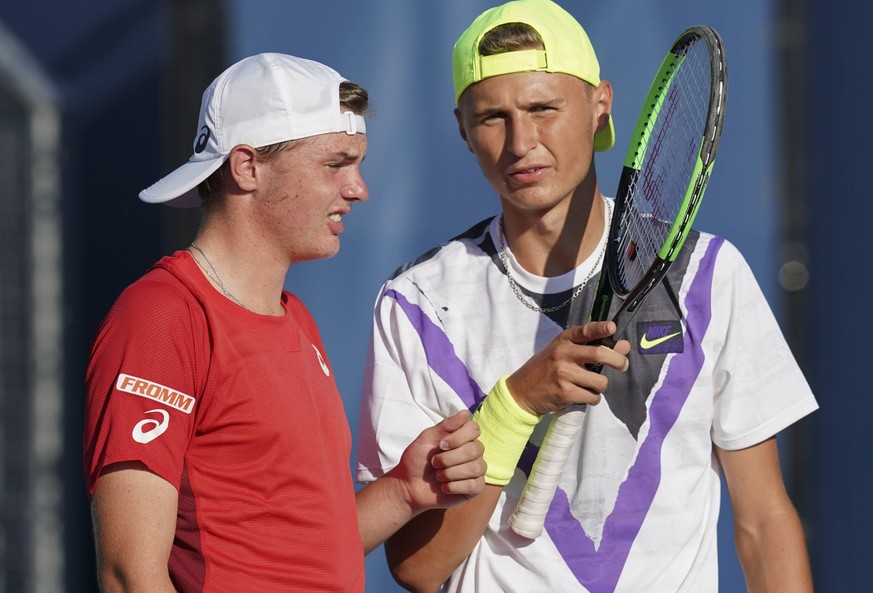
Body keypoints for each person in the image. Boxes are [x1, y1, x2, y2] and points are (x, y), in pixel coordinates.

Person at [355, 1, 818, 592]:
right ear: (463, 131)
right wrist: (514, 406)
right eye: (493, 117)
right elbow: (417, 569)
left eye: (543, 108)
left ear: (600, 108)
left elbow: (762, 520)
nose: (521, 142)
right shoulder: (416, 305)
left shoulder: (708, 274)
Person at [83, 52, 486, 593]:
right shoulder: (162, 316)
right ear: (247, 166)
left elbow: (295, 551)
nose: (358, 188)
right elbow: (129, 574)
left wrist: (405, 491)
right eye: (334, 164)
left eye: (358, 164)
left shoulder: (297, 320)